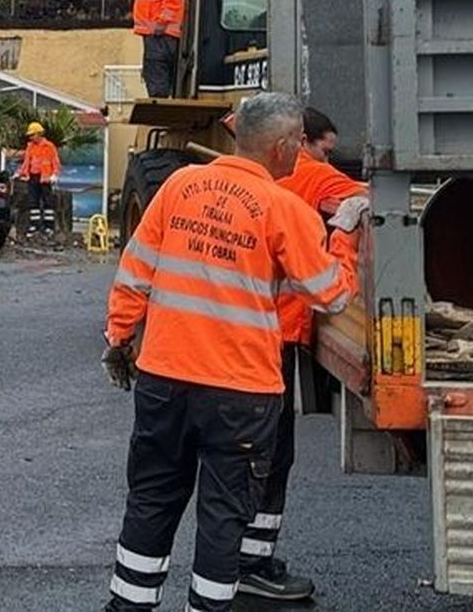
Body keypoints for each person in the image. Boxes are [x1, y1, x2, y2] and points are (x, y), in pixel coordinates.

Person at [100, 92, 353, 612]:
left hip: (164, 378)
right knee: (222, 516)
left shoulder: (179, 185)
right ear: (285, 147)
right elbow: (332, 292)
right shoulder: (285, 209)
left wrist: (120, 338)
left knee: (151, 500)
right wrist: (346, 233)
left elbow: (135, 270)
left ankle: (127, 607)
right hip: (241, 391)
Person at [239, 107, 368, 602]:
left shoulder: (198, 188)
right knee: (268, 454)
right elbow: (332, 292)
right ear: (294, 142)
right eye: (321, 149)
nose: (320, 160)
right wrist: (346, 238)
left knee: (213, 461)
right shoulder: (308, 178)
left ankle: (232, 562)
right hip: (270, 342)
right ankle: (248, 562)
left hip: (204, 353)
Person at [133, 0, 185, 99]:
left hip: (161, 33)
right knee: (156, 73)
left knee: (157, 74)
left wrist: (162, 22)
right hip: (158, 32)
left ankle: (159, 106)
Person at [17, 122, 63, 241]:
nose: (31, 137)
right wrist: (20, 173)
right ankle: (34, 226)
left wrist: (55, 175)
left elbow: (55, 162)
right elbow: (27, 162)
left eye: (32, 135)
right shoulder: (30, 147)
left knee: (48, 202)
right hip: (33, 177)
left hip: (45, 178)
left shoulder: (49, 146)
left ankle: (49, 227)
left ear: (39, 134)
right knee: (33, 202)